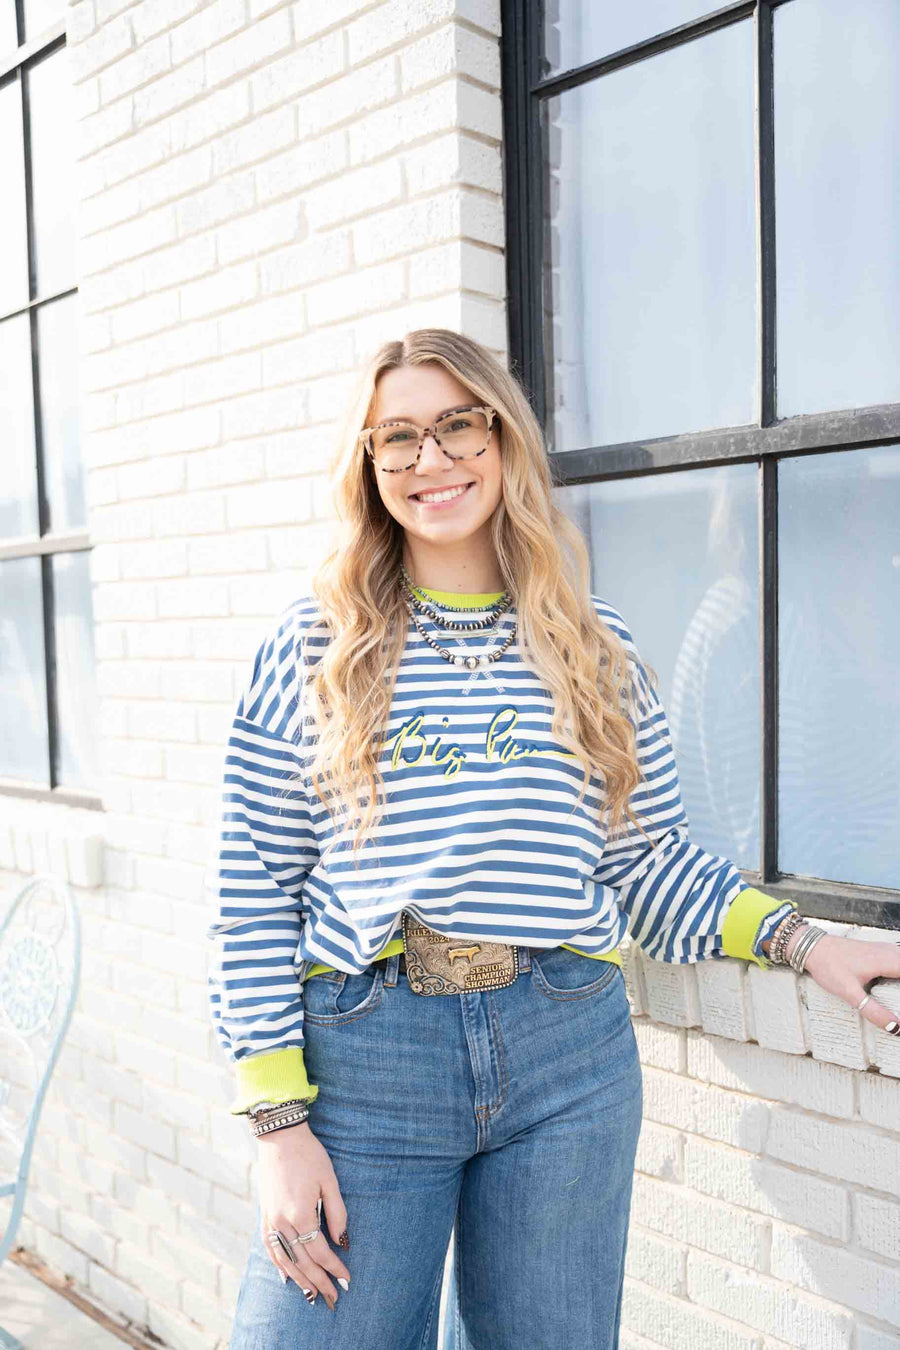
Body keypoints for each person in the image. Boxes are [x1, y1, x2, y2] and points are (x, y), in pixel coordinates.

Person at [207, 328, 900, 1350]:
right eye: (396, 438)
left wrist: (808, 940)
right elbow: (255, 891)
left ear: (505, 439)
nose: (430, 460)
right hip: (368, 1060)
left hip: (565, 1055)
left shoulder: (594, 646)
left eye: (457, 425)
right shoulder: (316, 644)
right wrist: (277, 1125)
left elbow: (647, 865)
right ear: (368, 467)